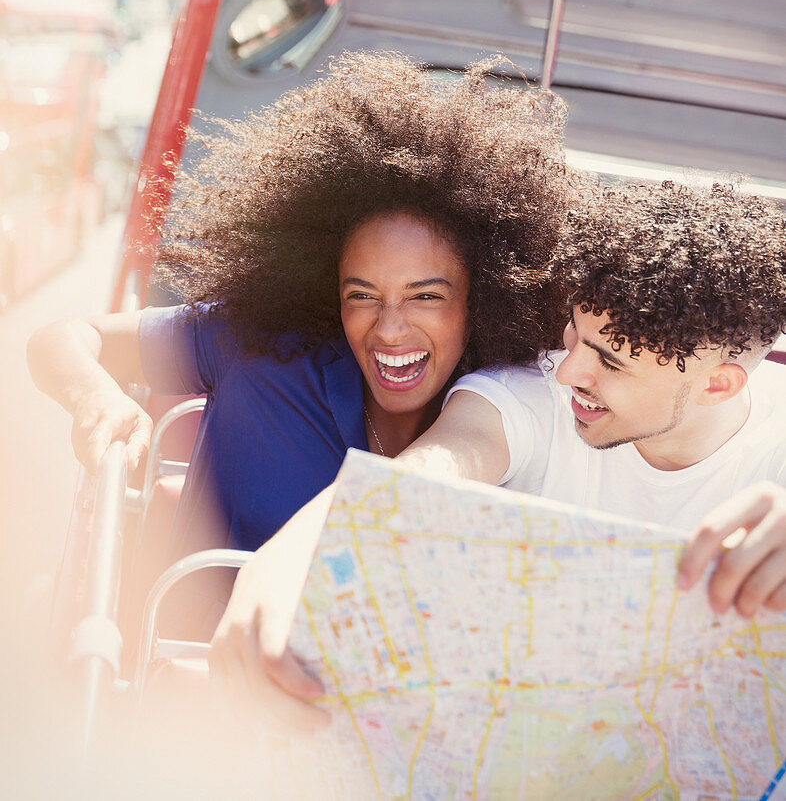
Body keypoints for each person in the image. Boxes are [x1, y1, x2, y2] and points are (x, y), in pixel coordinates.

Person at [209, 177, 786, 727]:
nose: (568, 373)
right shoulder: (527, 397)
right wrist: (278, 567)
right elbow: (422, 476)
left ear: (720, 385)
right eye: (573, 335)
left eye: (610, 362)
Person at [27, 51, 577, 566]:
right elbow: (62, 338)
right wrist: (95, 399)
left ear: (481, 297)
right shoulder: (257, 343)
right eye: (361, 295)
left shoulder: (510, 408)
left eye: (425, 296)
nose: (388, 327)